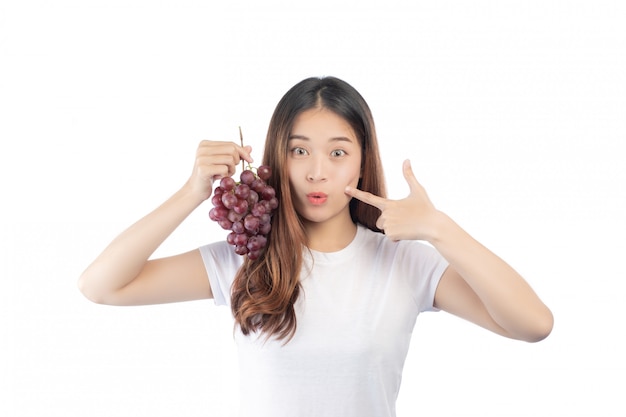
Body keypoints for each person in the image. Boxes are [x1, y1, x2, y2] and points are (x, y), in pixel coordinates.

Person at [78, 76, 553, 417]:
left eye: (338, 152)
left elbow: (533, 324)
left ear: (363, 162)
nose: (317, 172)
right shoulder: (245, 259)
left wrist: (440, 229)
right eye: (299, 150)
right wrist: (191, 193)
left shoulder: (404, 262)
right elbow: (101, 286)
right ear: (276, 156)